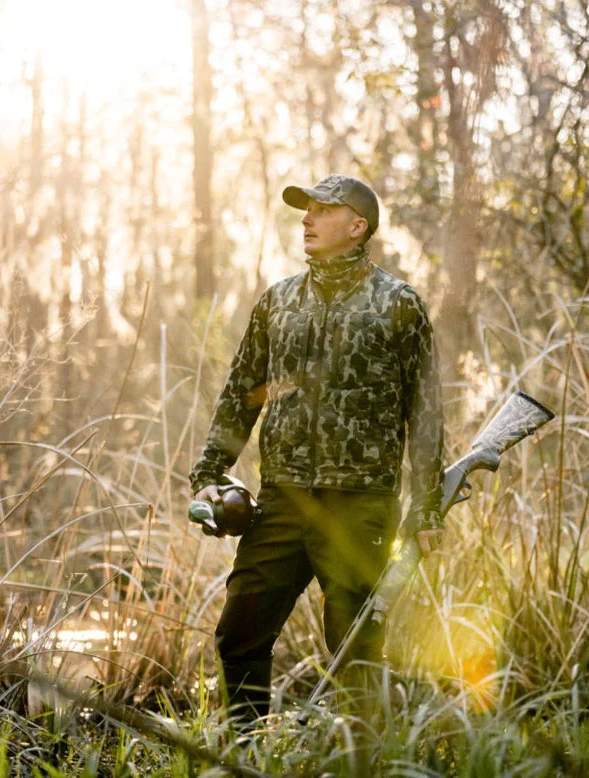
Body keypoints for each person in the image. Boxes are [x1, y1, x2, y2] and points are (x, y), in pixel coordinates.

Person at [189, 174, 444, 724]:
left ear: (357, 227)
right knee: (239, 634)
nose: (306, 218)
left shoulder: (399, 305)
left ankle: (359, 759)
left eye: (322, 210)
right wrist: (209, 471)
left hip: (360, 505)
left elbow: (425, 414)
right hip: (281, 501)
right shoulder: (277, 302)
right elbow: (242, 392)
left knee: (355, 650)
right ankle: (246, 748)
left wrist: (426, 505)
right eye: (305, 210)